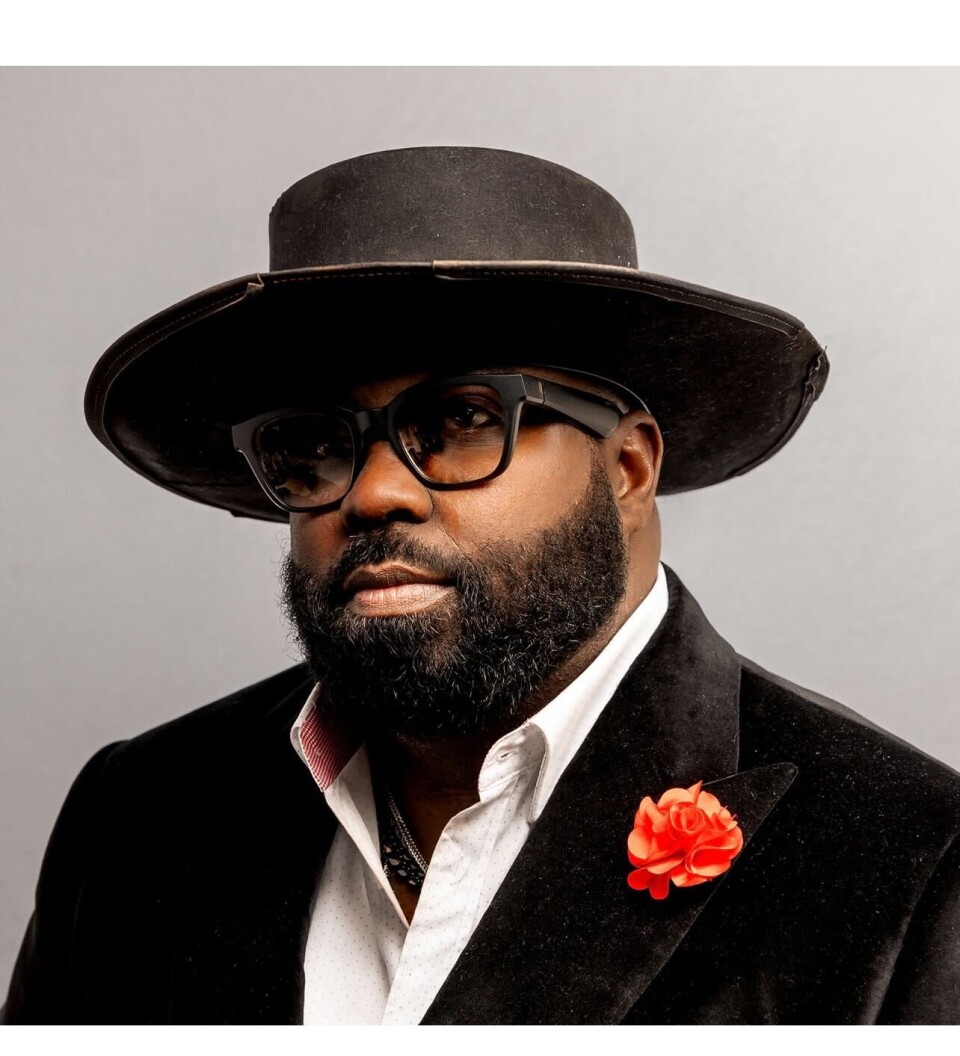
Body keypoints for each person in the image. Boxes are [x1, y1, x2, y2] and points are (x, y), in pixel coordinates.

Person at [4, 146, 959, 1025]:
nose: (373, 494)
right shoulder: (138, 814)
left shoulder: (909, 863)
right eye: (315, 442)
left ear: (627, 469)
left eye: (462, 419)